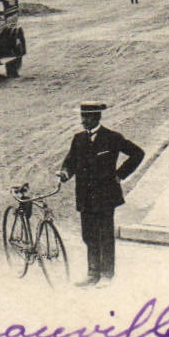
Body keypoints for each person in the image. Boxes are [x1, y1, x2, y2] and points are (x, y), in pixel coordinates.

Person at [56, 101, 143, 288]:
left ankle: (106, 274)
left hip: (105, 196)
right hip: (85, 196)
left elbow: (137, 153)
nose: (83, 121)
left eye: (87, 117)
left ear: (97, 117)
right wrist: (65, 173)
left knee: (105, 235)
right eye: (82, 116)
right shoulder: (78, 139)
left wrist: (120, 174)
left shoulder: (112, 138)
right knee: (89, 235)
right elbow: (70, 161)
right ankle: (92, 273)